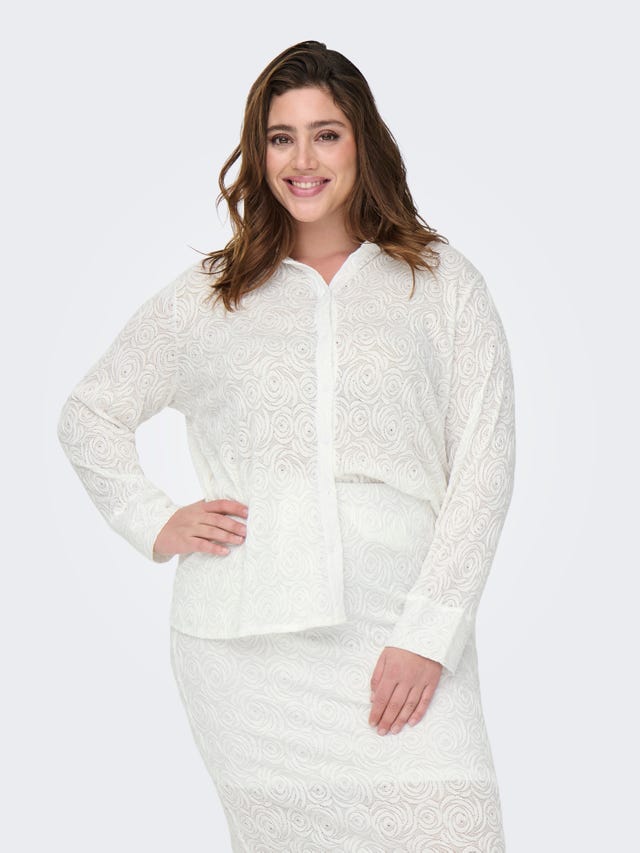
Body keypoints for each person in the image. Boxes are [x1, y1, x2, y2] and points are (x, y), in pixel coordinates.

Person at [57, 39, 516, 851]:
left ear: (363, 143)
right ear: (259, 151)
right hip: (247, 656)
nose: (303, 160)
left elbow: (485, 463)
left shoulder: (442, 284)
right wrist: (155, 518)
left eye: (325, 134)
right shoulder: (212, 295)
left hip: (403, 630)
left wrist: (428, 633)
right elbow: (89, 413)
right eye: (281, 138)